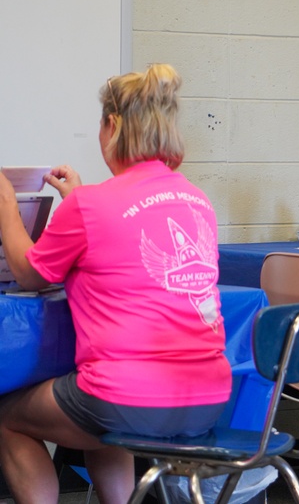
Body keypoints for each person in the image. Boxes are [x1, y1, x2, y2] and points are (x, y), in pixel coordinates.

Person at [0, 64, 231, 504]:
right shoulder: (196, 200)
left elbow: (30, 272)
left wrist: (7, 204)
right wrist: (78, 201)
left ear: (111, 125)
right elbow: (124, 238)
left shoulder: (90, 206)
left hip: (128, 399)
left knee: (9, 416)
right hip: (208, 397)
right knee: (102, 416)